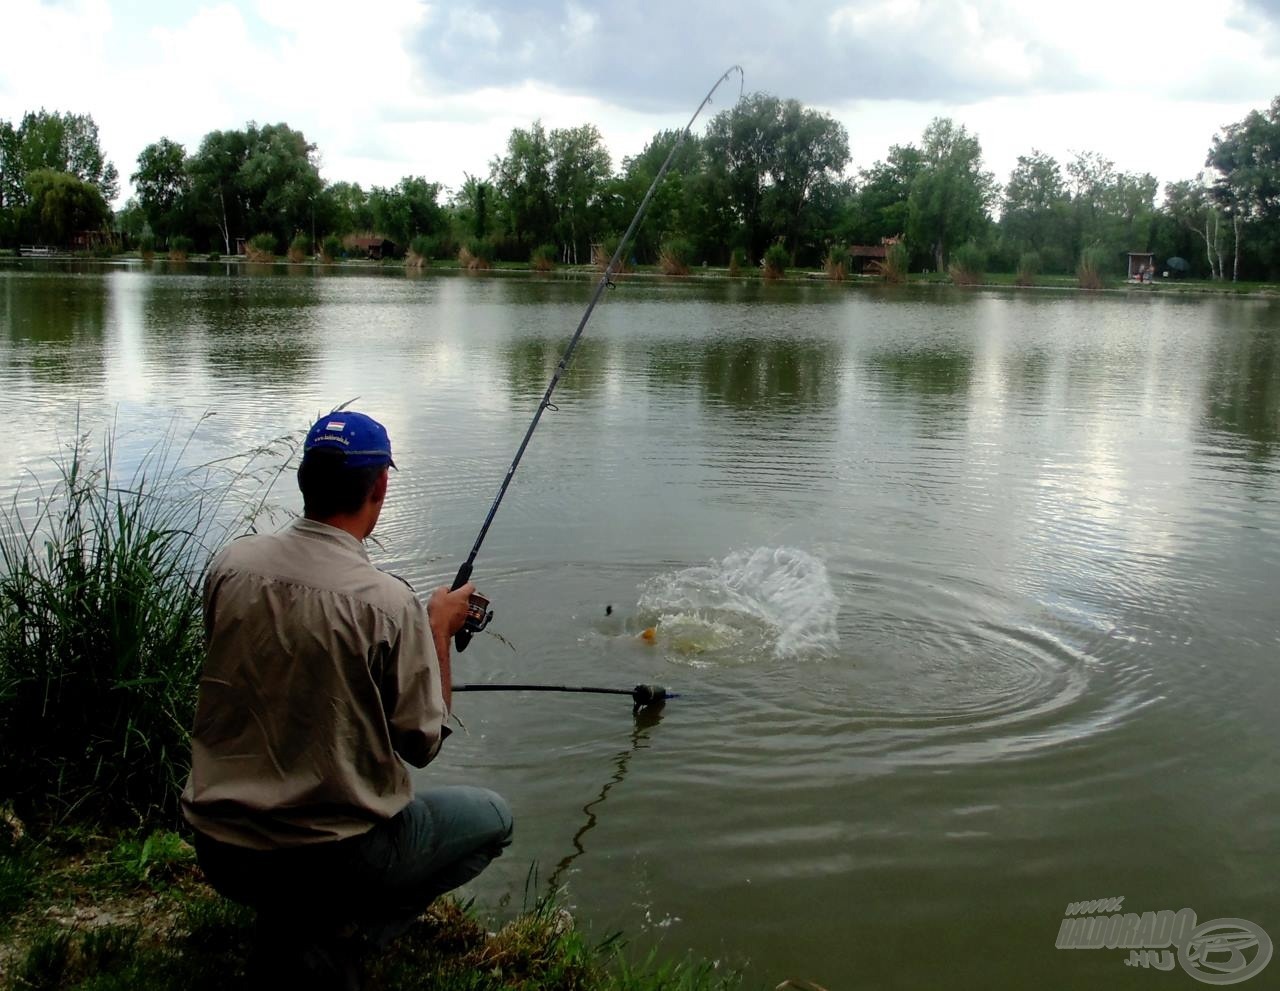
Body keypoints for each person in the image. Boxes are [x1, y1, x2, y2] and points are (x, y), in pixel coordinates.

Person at [181, 410, 512, 989]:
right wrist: (436, 630)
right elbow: (422, 742)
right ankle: (342, 936)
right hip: (334, 861)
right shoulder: (387, 604)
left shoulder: (229, 566)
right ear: (380, 485)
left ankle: (289, 928)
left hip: (221, 849)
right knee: (494, 819)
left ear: (304, 479)